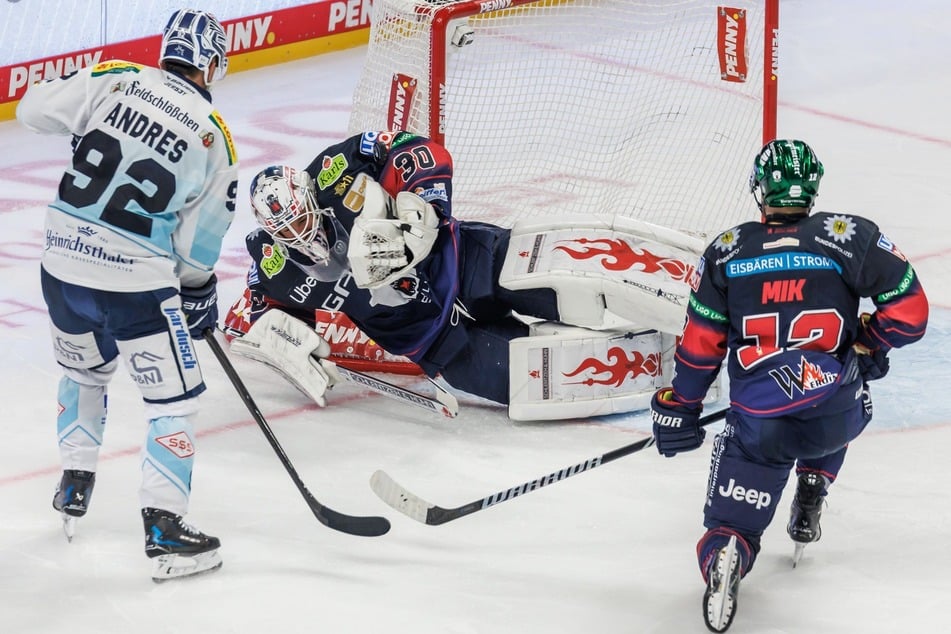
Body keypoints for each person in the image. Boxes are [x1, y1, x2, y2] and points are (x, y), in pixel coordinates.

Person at [648, 139, 929, 632]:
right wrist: (867, 342)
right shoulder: (850, 236)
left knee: (732, 518)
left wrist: (682, 407)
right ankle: (815, 484)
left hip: (760, 423)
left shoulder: (726, 251)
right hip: (836, 413)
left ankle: (727, 552)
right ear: (812, 188)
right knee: (843, 392)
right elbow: (910, 316)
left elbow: (700, 347)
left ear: (761, 189)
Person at [227, 130, 693, 419]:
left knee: (578, 281)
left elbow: (417, 150)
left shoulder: (337, 169)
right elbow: (263, 320)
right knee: (550, 375)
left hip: (465, 260)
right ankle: (688, 373)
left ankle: (699, 305)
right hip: (438, 343)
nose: (301, 232)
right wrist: (292, 349)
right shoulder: (272, 264)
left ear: (308, 193)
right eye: (286, 230)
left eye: (301, 217)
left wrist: (424, 210)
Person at [16, 9, 238, 581]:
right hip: (135, 285)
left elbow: (30, 110)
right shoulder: (213, 135)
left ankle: (74, 482)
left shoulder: (116, 77)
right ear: (211, 63)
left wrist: (87, 112)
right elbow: (195, 254)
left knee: (86, 373)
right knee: (172, 402)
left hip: (61, 265)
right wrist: (196, 293)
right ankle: (164, 530)